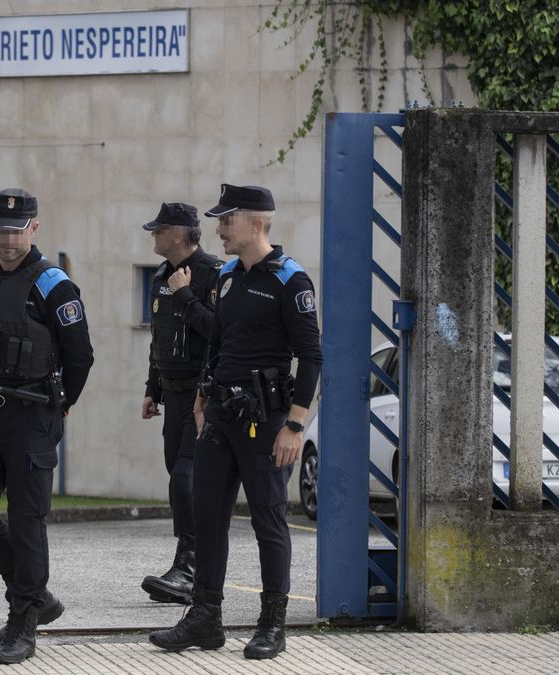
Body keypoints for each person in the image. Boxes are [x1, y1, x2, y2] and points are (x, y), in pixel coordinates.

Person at [148, 184, 321, 660]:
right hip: (220, 417)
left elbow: (310, 358)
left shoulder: (290, 281)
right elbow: (219, 342)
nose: (219, 229)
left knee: (268, 518)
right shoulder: (227, 277)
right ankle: (206, 618)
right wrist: (204, 394)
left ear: (257, 223)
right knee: (207, 516)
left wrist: (295, 424)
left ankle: (272, 624)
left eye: (227, 220)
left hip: (266, 420)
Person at [0, 188, 94, 665]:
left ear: (34, 229)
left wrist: (62, 407)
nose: (8, 238)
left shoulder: (53, 284)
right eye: (0, 228)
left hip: (33, 416)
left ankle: (23, 623)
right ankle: (35, 595)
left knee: (27, 521)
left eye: (17, 229)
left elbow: (81, 356)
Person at [138, 203, 222, 605]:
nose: (153, 235)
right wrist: (152, 388)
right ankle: (189, 564)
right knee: (178, 478)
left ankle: (189, 567)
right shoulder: (160, 276)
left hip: (201, 395)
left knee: (185, 478)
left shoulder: (214, 274)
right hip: (171, 394)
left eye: (159, 230)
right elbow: (159, 338)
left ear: (180, 233)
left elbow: (218, 334)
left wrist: (186, 294)